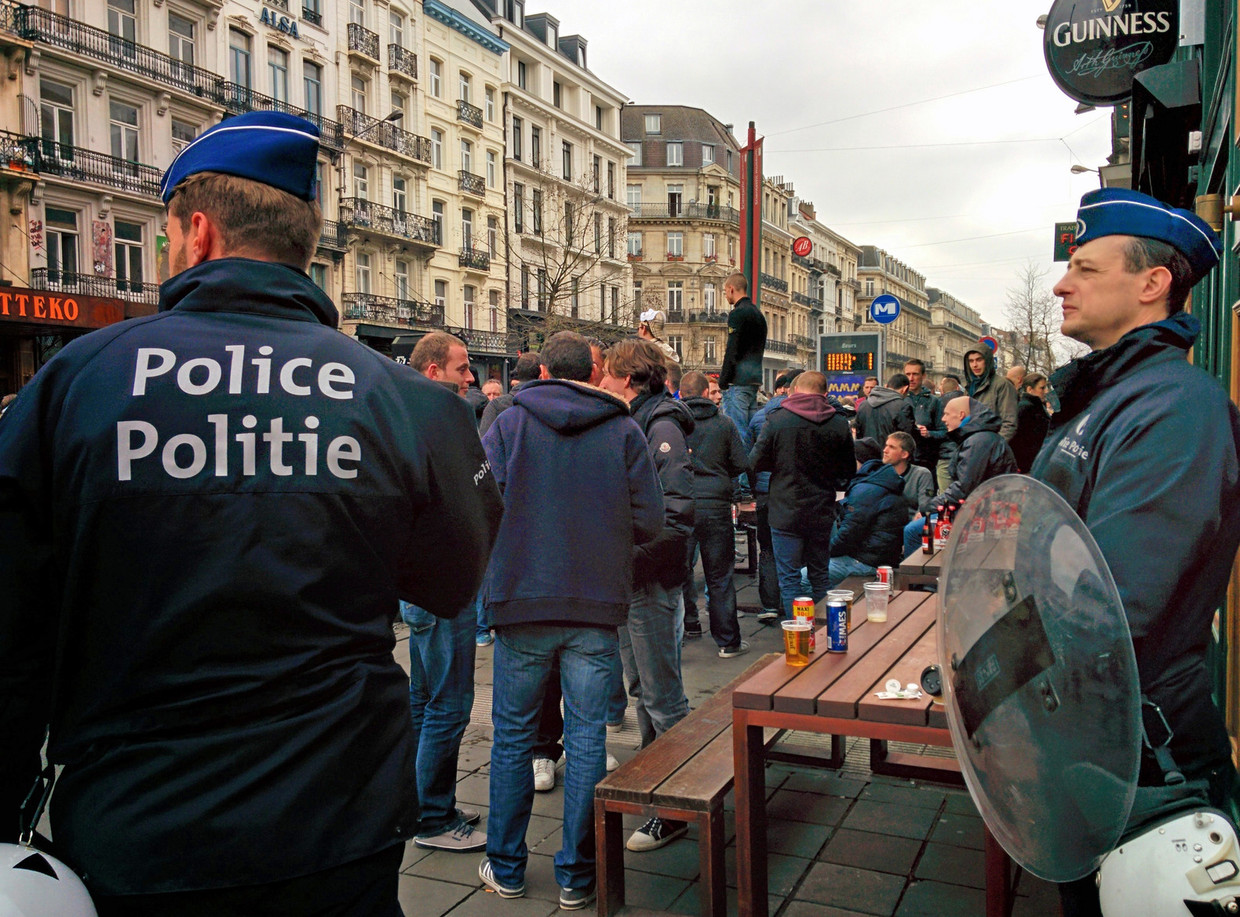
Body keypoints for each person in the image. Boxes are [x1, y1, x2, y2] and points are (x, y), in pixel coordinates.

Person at [0, 111, 503, 916]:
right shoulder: (408, 401)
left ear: (197, 232)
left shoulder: (73, 386)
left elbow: (12, 630)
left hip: (141, 826)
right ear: (304, 242)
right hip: (337, 823)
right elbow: (449, 583)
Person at [1029, 188, 1240, 915]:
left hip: (1149, 758)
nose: (1062, 284)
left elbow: (1112, 606)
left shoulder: (1175, 407)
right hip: (1089, 738)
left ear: (1152, 283)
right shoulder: (1108, 398)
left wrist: (999, 665)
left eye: (1086, 268)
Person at [478, 331, 664, 910]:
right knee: (586, 740)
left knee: (513, 737)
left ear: (540, 371)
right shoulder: (623, 430)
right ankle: (577, 876)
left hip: (521, 599)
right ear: (593, 370)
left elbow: (478, 505)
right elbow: (651, 520)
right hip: (594, 603)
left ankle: (506, 865)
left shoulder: (508, 424)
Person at [599, 339, 696, 852]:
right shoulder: (638, 420)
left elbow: (676, 514)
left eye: (608, 373)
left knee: (662, 695)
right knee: (643, 687)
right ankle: (654, 780)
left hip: (649, 579)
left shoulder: (660, 427)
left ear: (628, 378)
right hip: (632, 577)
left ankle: (676, 805)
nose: (601, 381)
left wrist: (630, 560)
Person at [400, 331, 490, 853]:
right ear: (433, 371)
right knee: (449, 704)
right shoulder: (439, 421)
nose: (470, 377)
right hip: (442, 581)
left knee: (424, 699)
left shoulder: (400, 416)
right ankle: (432, 818)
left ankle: (421, 805)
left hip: (417, 585)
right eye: (462, 368)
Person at [749, 371, 854, 621]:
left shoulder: (777, 420)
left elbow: (754, 461)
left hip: (785, 508)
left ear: (794, 391)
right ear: (825, 393)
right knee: (820, 575)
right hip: (821, 508)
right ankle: (825, 630)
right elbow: (848, 469)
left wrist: (779, 466)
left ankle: (799, 633)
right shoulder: (839, 423)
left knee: (790, 579)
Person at [679, 370, 749, 655]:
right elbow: (740, 462)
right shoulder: (724, 423)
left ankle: (687, 626)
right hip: (716, 505)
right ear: (706, 393)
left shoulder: (673, 424)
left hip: (682, 503)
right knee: (719, 576)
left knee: (680, 571)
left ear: (681, 394)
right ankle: (728, 641)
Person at [902, 394, 1018, 557]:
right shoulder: (980, 437)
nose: (943, 419)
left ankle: (922, 573)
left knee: (912, 531)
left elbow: (963, 487)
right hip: (986, 509)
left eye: (947, 414)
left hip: (984, 515)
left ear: (961, 415)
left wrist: (928, 507)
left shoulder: (977, 442)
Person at [747, 370, 800, 619]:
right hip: (792, 491)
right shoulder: (798, 416)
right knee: (795, 548)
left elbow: (750, 459)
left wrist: (751, 489)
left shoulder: (759, 417)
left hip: (764, 491)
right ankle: (797, 606)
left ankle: (769, 604)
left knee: (767, 548)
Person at [827, 438, 907, 586]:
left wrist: (823, 553)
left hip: (867, 562)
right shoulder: (879, 480)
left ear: (857, 460)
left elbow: (849, 534)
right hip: (879, 556)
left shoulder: (865, 489)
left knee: (803, 578)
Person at [718, 272, 767, 447]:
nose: (726, 296)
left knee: (737, 435)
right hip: (753, 381)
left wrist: (723, 381)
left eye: (725, 291)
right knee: (752, 434)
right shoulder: (759, 315)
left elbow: (733, 348)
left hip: (737, 382)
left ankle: (742, 466)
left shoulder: (737, 314)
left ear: (731, 289)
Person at [479, 351, 542, 437]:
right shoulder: (551, 404)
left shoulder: (496, 407)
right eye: (488, 394)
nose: (492, 397)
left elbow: (486, 441)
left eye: (495, 394)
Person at [961, 346, 1018, 441]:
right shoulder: (970, 387)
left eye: (979, 360)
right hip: (973, 443)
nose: (974, 365)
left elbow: (1009, 423)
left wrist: (994, 445)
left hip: (992, 444)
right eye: (971, 361)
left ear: (987, 361)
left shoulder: (1002, 385)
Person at [885, 431, 935, 523]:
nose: (885, 450)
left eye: (891, 447)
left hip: (910, 524)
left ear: (904, 454)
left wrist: (919, 516)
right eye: (886, 446)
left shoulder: (921, 474)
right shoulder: (879, 474)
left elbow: (925, 505)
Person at [854, 372, 918, 443]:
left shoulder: (863, 405)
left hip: (868, 449)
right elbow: (908, 437)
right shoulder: (903, 406)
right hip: (892, 449)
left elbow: (859, 435)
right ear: (904, 389)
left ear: (886, 386)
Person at [903, 359, 942, 475]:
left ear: (923, 376)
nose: (911, 378)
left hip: (926, 461)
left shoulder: (934, 401)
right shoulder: (898, 399)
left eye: (915, 374)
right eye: (908, 374)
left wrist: (929, 433)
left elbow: (944, 431)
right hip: (902, 461)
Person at [1009, 371, 1051, 473]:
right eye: (1042, 388)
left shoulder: (1035, 406)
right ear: (1029, 389)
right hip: (1028, 465)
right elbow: (1018, 440)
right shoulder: (1026, 408)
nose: (1046, 391)